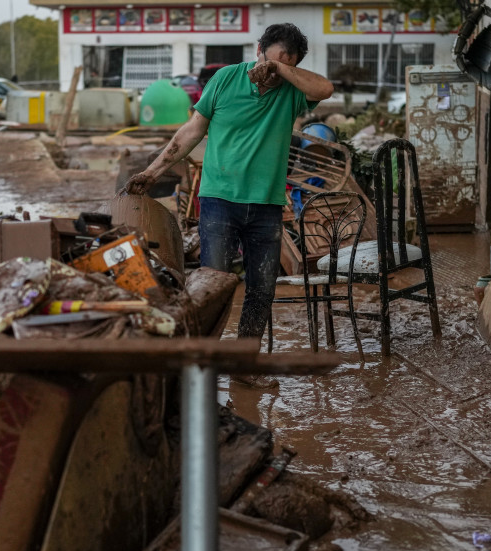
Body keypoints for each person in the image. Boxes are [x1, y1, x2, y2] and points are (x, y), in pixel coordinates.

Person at [124, 23, 334, 342]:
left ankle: (244, 366)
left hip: (267, 206)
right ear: (257, 50)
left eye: (284, 66)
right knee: (213, 286)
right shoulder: (225, 78)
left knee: (261, 290)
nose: (273, 72)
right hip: (219, 201)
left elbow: (324, 89)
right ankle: (204, 364)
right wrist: (152, 172)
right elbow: (192, 131)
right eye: (270, 60)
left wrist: (279, 68)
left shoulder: (293, 90)